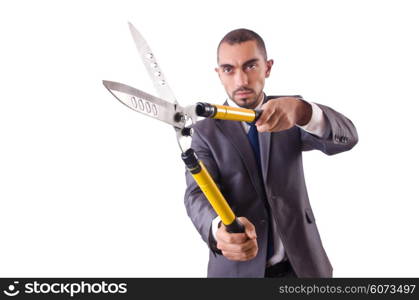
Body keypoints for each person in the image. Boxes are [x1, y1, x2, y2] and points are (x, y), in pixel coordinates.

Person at [183, 28, 358, 278]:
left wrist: (303, 112)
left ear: (268, 67)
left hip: (302, 268)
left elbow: (348, 137)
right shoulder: (204, 131)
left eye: (250, 66)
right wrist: (218, 228)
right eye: (229, 69)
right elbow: (197, 193)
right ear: (219, 74)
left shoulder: (290, 111)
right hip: (237, 273)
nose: (241, 80)